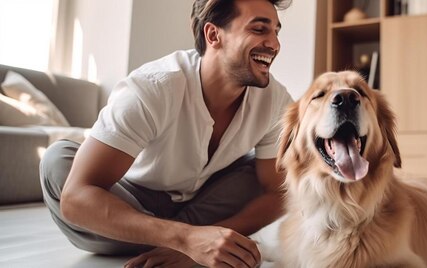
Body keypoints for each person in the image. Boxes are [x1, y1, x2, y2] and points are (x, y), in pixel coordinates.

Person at [39, 0, 292, 267]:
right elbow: (75, 199)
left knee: (277, 173)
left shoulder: (275, 100)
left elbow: (278, 192)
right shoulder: (154, 87)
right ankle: (169, 236)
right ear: (213, 35)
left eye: (276, 31)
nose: (274, 44)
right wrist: (186, 240)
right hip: (134, 198)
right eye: (260, 30)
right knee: (57, 161)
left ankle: (177, 238)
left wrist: (210, 238)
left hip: (206, 204)